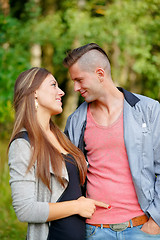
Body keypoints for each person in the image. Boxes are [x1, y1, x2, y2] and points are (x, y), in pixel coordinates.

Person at [63, 43, 160, 240]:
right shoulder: (75, 121)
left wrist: (156, 221)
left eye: (79, 80)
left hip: (142, 228)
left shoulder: (149, 111)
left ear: (100, 74)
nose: (75, 88)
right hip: (95, 230)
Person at [8, 67, 110, 240]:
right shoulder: (22, 144)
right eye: (53, 85)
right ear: (34, 93)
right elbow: (25, 210)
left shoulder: (62, 137)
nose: (61, 92)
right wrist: (77, 207)